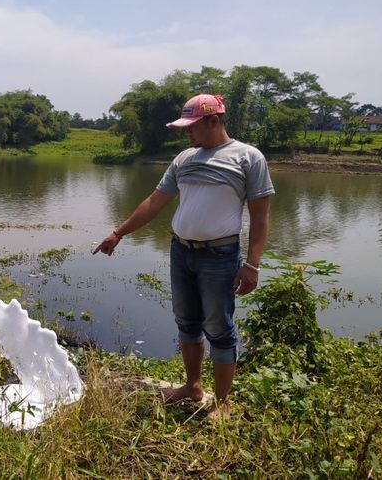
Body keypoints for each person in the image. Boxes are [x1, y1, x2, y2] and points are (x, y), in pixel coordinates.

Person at [92, 94, 274, 418]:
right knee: (187, 323)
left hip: (219, 256)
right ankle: (193, 386)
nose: (186, 133)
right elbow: (154, 201)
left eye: (191, 127)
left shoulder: (248, 158)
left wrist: (251, 265)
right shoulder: (183, 159)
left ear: (213, 121)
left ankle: (222, 403)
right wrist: (118, 233)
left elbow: (260, 217)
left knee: (219, 327)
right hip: (181, 251)